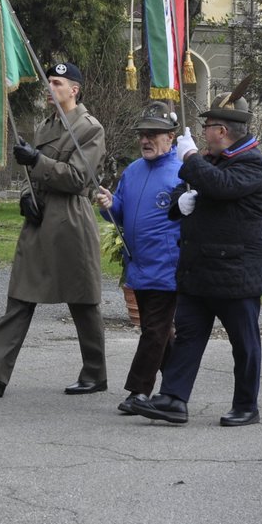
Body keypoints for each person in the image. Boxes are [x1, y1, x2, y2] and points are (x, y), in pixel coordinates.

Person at [0, 62, 106, 397]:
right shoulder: (46, 125)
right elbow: (32, 175)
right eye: (49, 82)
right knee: (21, 296)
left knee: (83, 301)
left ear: (74, 90)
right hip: (40, 219)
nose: (50, 89)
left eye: (56, 83)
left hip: (71, 220)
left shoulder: (89, 128)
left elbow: (79, 177)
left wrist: (36, 162)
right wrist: (26, 196)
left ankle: (95, 373)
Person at [130, 91, 262, 427]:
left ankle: (246, 405)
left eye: (207, 126)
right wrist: (182, 202)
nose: (203, 131)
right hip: (199, 270)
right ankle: (174, 399)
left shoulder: (252, 162)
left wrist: (191, 157)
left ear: (222, 130)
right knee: (188, 337)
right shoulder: (211, 158)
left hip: (237, 272)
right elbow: (186, 186)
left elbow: (220, 186)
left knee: (244, 343)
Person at [95, 102, 184, 415]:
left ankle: (139, 390)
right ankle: (177, 386)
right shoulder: (132, 171)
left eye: (154, 134)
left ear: (171, 137)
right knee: (160, 332)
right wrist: (108, 203)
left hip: (167, 267)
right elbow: (117, 213)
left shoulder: (182, 173)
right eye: (143, 134)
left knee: (154, 331)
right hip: (138, 265)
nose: (146, 140)